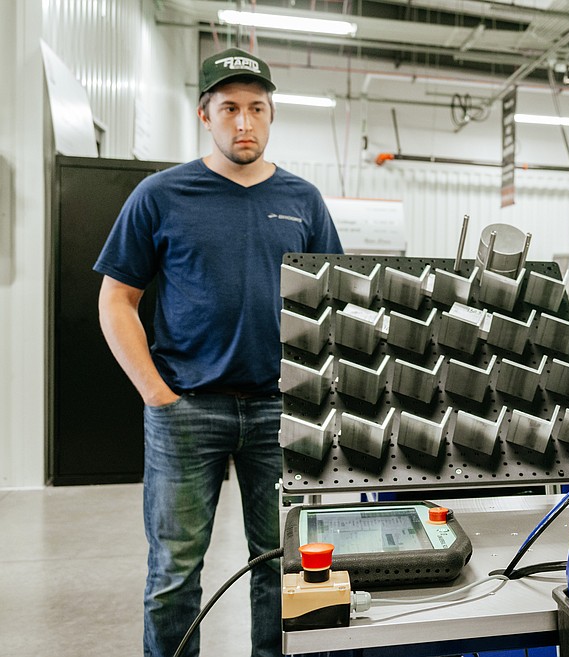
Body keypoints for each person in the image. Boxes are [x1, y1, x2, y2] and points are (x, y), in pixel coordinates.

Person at [94, 47, 343, 657]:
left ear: (271, 115)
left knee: (280, 567)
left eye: (256, 108)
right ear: (205, 114)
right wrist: (157, 394)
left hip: (279, 415)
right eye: (229, 107)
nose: (244, 122)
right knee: (175, 574)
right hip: (187, 410)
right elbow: (116, 300)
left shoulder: (303, 200)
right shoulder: (161, 195)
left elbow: (333, 304)